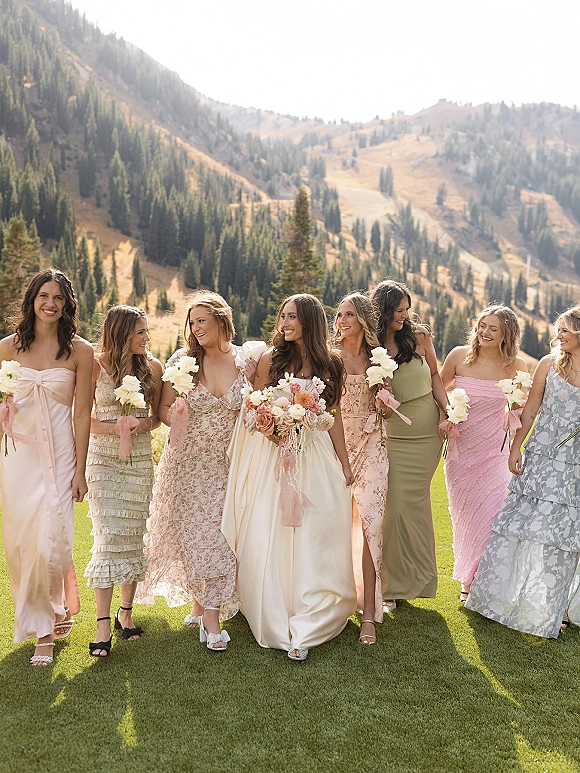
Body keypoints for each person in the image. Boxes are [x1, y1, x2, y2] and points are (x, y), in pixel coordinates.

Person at [222, 293, 357, 662]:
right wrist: (273, 427)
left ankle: (312, 610)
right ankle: (272, 605)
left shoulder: (331, 363)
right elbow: (258, 403)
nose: (285, 322)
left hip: (314, 455)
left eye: (293, 316)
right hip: (274, 454)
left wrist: (345, 464)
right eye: (283, 315)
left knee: (316, 531)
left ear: (310, 321)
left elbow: (336, 416)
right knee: (271, 531)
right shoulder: (271, 358)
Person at [136, 292, 247, 652]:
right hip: (187, 462)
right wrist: (176, 415)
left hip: (230, 462)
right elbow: (164, 408)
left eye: (202, 320)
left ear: (221, 320)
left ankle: (204, 606)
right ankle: (209, 618)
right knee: (199, 535)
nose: (196, 328)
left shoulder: (245, 360)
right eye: (192, 322)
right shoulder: (182, 361)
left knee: (221, 536)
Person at [466, 306, 580, 638]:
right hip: (542, 456)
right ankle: (498, 598)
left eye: (565, 331)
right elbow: (530, 410)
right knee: (523, 526)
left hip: (574, 464)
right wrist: (516, 447)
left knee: (563, 535)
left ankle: (556, 609)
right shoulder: (548, 364)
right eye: (558, 330)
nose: (558, 337)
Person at [0, 268, 94, 666]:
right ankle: (48, 612)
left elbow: (83, 415)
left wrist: (81, 471)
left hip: (60, 457)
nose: (50, 303)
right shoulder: (6, 348)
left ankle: (44, 630)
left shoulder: (81, 352)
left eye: (58, 297)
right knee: (22, 544)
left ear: (67, 304)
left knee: (52, 539)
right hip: (17, 459)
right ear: (32, 300)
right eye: (44, 296)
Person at [84, 306, 162, 657]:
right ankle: (102, 624)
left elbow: (155, 420)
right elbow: (82, 419)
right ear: (121, 333)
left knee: (132, 535)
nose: (147, 338)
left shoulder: (154, 368)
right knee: (107, 536)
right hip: (102, 459)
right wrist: (114, 427)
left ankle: (125, 615)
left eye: (146, 331)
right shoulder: (95, 366)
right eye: (141, 332)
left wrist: (138, 425)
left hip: (140, 460)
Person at [439, 306, 527, 603]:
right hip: (461, 454)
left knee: (493, 514)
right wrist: (445, 415)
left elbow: (522, 412)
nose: (485, 333)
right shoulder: (459, 356)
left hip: (494, 454)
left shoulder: (517, 367)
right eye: (482, 326)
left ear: (507, 335)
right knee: (467, 518)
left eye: (493, 329)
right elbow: (437, 389)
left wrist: (516, 441)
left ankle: (488, 581)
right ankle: (468, 581)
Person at [369, 280, 447, 605]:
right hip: (394, 434)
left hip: (427, 431)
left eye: (407, 310)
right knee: (395, 505)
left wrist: (446, 413)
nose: (405, 316)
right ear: (384, 311)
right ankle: (391, 586)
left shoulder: (420, 336)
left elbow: (436, 377)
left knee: (414, 506)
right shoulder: (371, 344)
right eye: (399, 310)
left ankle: (416, 583)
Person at [333, 293, 388, 645]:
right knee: (334, 523)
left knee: (372, 522)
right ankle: (335, 603)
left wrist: (385, 401)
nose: (341, 321)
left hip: (374, 445)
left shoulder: (378, 359)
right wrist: (342, 462)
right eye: (338, 314)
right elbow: (332, 412)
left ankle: (369, 611)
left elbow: (385, 401)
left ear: (364, 320)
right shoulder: (330, 359)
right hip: (337, 445)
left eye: (349, 314)